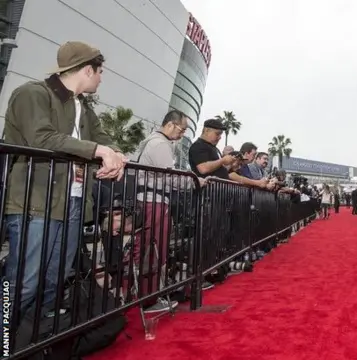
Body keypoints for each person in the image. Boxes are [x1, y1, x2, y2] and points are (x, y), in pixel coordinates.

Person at [3, 41, 126, 313]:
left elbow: (103, 138)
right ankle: (4, 338)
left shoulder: (82, 106)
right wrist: (98, 150)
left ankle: (32, 341)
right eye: (100, 71)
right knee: (23, 281)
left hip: (72, 203)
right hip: (35, 201)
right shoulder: (32, 93)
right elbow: (41, 137)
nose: (102, 77)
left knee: (55, 278)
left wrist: (116, 154)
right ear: (86, 70)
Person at [134, 110, 214, 314]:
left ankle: (148, 293)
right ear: (171, 125)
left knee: (152, 247)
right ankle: (149, 298)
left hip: (152, 200)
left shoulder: (153, 141)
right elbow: (170, 177)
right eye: (182, 129)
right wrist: (195, 181)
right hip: (154, 201)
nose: (182, 134)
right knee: (154, 248)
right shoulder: (160, 144)